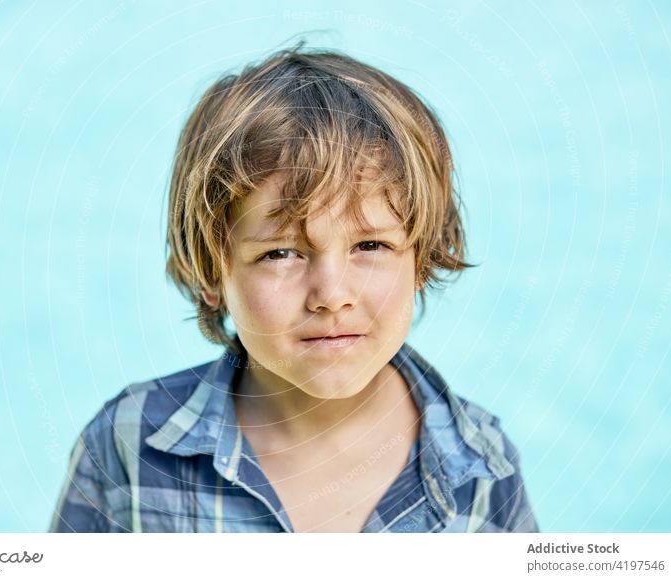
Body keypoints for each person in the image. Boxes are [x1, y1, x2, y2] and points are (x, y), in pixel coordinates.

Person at [49, 41, 539, 533]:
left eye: (370, 245)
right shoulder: (129, 446)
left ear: (420, 257)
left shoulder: (483, 468)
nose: (331, 294)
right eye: (280, 253)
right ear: (212, 272)